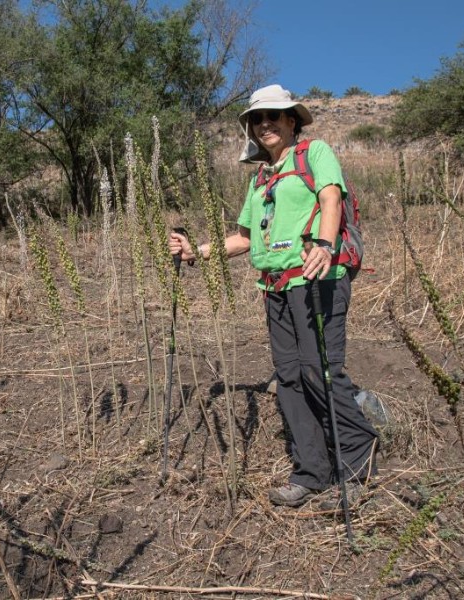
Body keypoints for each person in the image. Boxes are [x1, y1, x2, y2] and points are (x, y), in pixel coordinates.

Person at [169, 84, 379, 508]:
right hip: (276, 287)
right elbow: (244, 238)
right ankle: (311, 472)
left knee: (321, 371)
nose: (264, 124)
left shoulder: (314, 153)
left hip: (316, 277)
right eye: (257, 119)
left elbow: (330, 197)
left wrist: (322, 244)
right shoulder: (260, 179)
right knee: (289, 378)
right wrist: (196, 253)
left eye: (273, 116)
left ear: (291, 121)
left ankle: (357, 467)